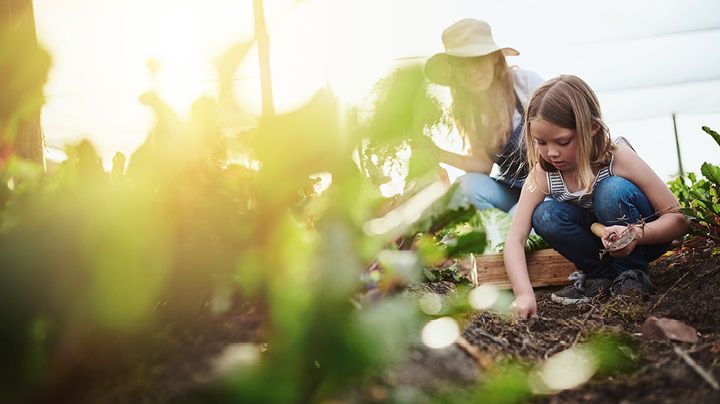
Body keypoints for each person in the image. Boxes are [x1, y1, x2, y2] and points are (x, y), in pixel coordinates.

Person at [503, 75, 689, 319]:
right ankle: (602, 276)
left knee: (610, 191)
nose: (552, 152)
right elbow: (514, 240)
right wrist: (524, 295)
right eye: (541, 142)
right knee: (545, 215)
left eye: (563, 141)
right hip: (601, 246)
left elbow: (679, 219)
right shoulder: (542, 175)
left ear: (591, 128)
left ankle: (632, 275)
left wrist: (634, 234)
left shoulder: (618, 157)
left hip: (644, 240)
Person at [424, 19, 543, 212]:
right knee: (465, 186)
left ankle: (511, 228)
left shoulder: (526, 85)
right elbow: (483, 165)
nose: (471, 72)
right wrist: (437, 153)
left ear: (494, 59)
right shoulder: (470, 112)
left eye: (477, 60)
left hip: (549, 189)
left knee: (517, 216)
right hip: (512, 190)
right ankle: (501, 227)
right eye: (462, 64)